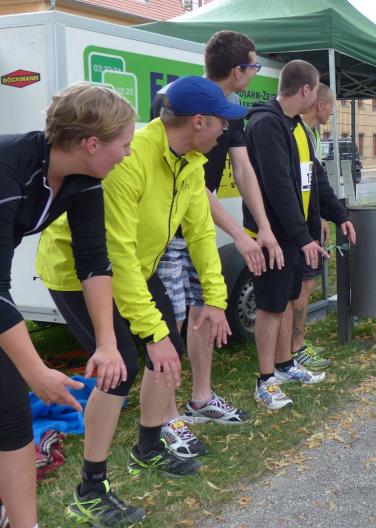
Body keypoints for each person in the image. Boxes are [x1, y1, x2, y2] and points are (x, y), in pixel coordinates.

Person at [37, 76, 245, 524]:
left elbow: (200, 232)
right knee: (121, 367)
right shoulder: (132, 158)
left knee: (167, 350)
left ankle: (148, 447)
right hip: (80, 273)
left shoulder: (191, 161)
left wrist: (215, 298)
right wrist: (151, 332)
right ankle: (90, 489)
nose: (226, 131)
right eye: (222, 122)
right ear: (199, 121)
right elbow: (116, 253)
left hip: (137, 267)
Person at [0, 83, 135, 528]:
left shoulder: (84, 179)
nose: (128, 154)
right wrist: (36, 371)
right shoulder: (9, 166)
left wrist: (107, 343)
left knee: (10, 413)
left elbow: (93, 262)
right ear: (92, 143)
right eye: (124, 144)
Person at [150, 31, 283, 458]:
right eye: (254, 66)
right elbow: (193, 184)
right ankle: (166, 415)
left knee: (205, 304)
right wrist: (239, 234)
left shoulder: (232, 110)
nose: (254, 72)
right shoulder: (178, 101)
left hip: (199, 225)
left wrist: (263, 227)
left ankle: (201, 398)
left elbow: (243, 171)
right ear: (237, 69)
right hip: (171, 227)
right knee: (169, 317)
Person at [245, 60, 356, 410]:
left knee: (286, 301)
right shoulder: (266, 124)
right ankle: (265, 381)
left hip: (293, 236)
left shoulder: (296, 126)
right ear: (305, 90)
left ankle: (284, 365)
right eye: (316, 88)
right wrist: (302, 236)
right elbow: (278, 187)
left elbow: (314, 179)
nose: (320, 98)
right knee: (270, 305)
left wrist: (339, 215)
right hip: (271, 236)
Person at [292, 84, 351, 371]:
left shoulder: (313, 133)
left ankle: (297, 344)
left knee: (307, 284)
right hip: (297, 227)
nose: (333, 113)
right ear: (320, 106)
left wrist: (323, 218)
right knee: (302, 286)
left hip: (310, 220)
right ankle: (295, 348)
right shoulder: (298, 131)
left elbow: (314, 184)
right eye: (331, 107)